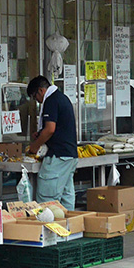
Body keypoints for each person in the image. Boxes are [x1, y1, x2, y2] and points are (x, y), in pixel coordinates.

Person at [26, 75, 78, 210]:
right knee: (66, 198)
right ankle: (70, 228)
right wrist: (40, 133)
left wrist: (34, 146)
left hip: (57, 157)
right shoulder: (62, 98)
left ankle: (50, 230)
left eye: (34, 96)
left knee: (47, 201)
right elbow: (57, 127)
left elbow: (50, 130)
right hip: (69, 155)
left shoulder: (51, 100)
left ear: (40, 91)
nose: (37, 101)